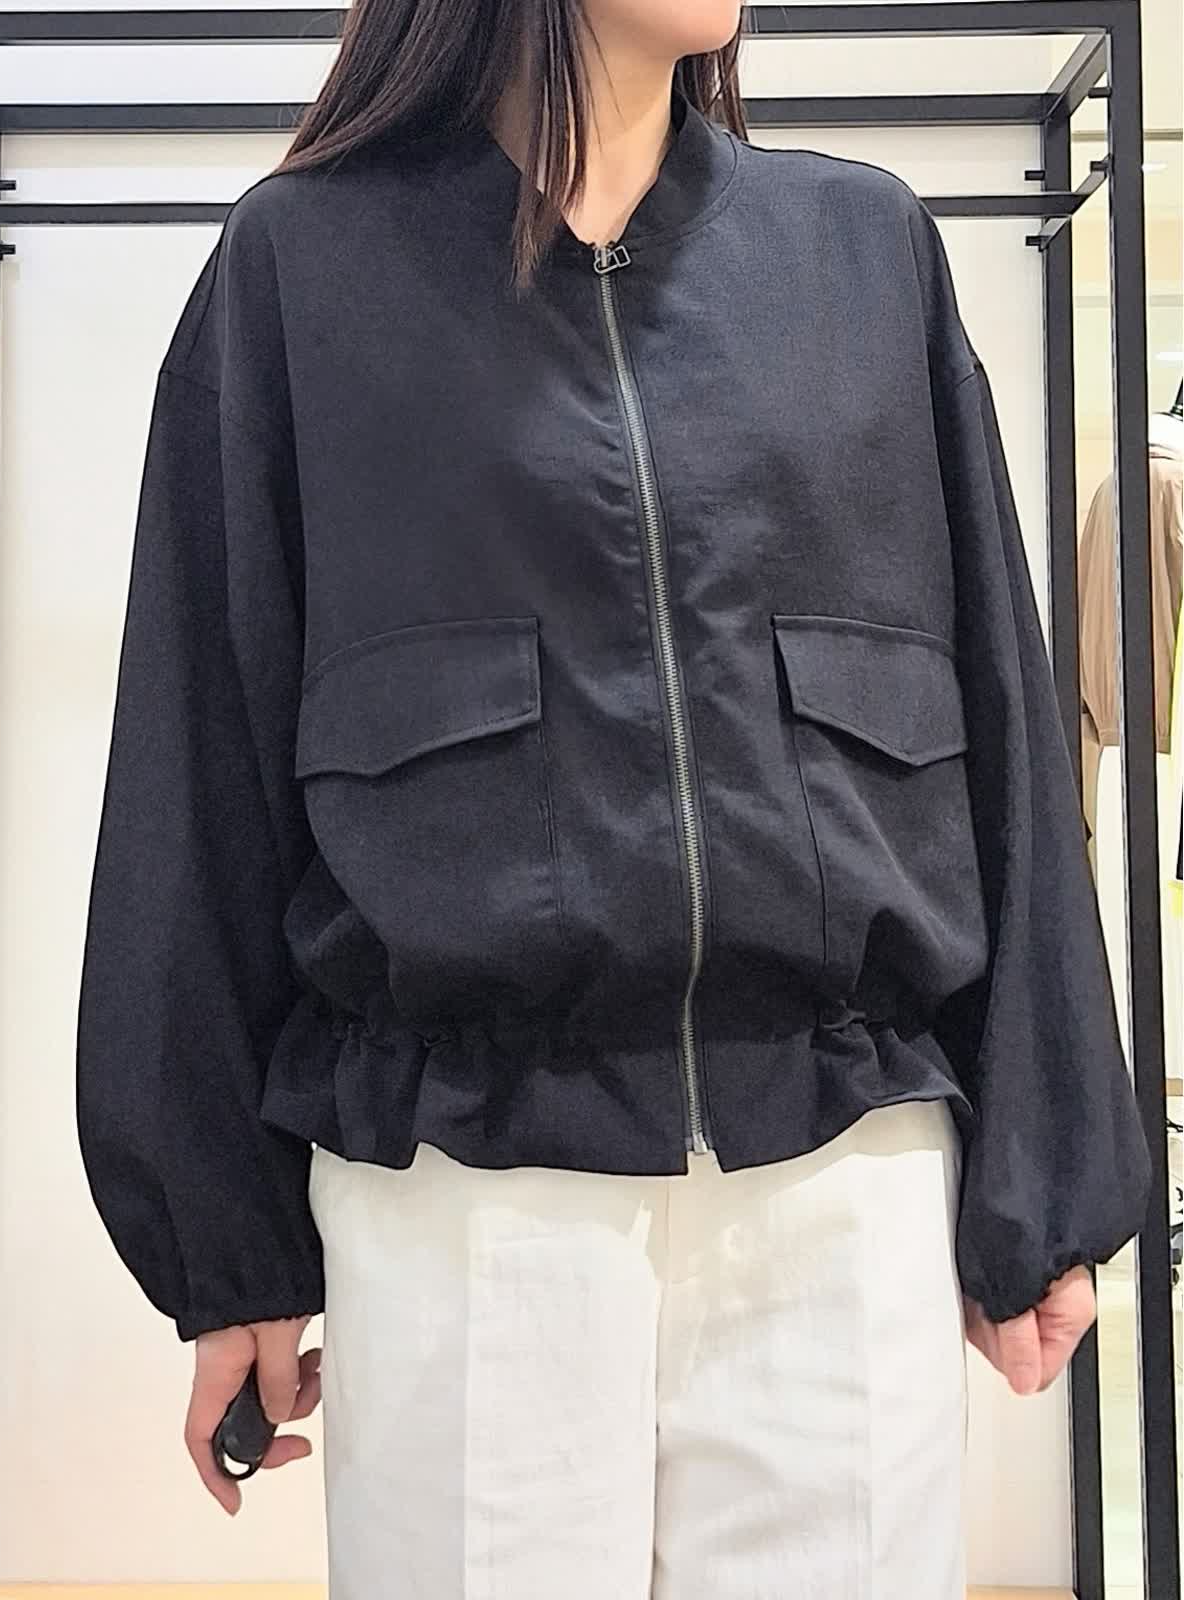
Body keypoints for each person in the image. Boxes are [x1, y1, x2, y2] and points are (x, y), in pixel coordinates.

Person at [74, 0, 1152, 1594]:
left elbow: (998, 718)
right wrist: (223, 1248)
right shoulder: (299, 272)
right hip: (468, 1201)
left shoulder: (862, 255)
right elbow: (197, 769)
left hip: (843, 1191)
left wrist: (1045, 1179)